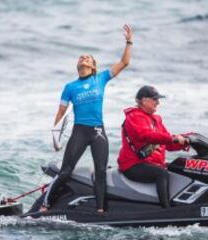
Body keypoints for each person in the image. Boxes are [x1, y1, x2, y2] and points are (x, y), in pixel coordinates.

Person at [41, 24, 133, 213]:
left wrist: (129, 41)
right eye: (81, 56)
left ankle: (100, 210)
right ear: (78, 65)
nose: (84, 57)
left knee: (101, 172)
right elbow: (60, 113)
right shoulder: (70, 87)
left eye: (88, 57)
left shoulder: (100, 78)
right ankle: (45, 205)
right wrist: (55, 137)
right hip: (79, 131)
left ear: (92, 65)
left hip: (98, 131)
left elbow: (124, 63)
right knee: (66, 171)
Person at [117, 85, 189, 208]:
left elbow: (167, 142)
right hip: (133, 165)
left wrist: (186, 142)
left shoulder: (156, 120)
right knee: (161, 173)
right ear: (144, 100)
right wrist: (173, 138)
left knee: (180, 167)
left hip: (152, 164)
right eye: (155, 99)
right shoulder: (134, 117)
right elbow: (146, 135)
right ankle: (166, 210)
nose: (158, 103)